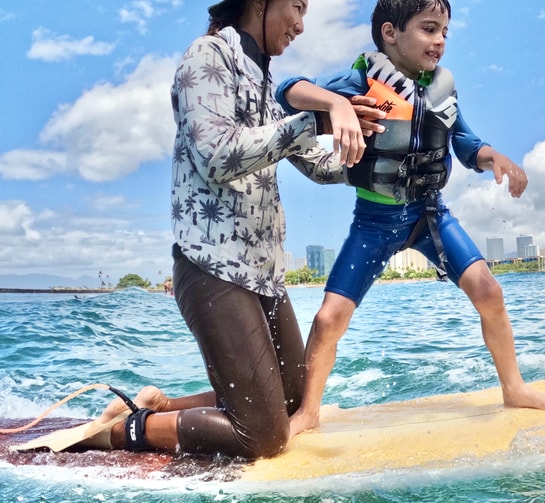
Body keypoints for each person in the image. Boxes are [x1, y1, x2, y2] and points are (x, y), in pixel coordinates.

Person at [85, 0, 384, 458]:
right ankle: (121, 432)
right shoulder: (206, 56)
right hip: (211, 267)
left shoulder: (264, 83)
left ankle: (160, 406)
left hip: (262, 273)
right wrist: (316, 119)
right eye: (297, 7)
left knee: (291, 401)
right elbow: (218, 155)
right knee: (264, 437)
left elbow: (318, 166)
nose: (301, 25)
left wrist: (374, 161)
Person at [276, 0, 545, 437]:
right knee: (328, 319)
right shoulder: (360, 78)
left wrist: (495, 159)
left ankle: (514, 388)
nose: (440, 41)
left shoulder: (442, 90)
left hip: (431, 215)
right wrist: (336, 104)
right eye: (429, 29)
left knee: (489, 292)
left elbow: (467, 146)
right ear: (391, 33)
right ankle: (310, 411)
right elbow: (288, 89)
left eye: (445, 32)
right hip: (374, 221)